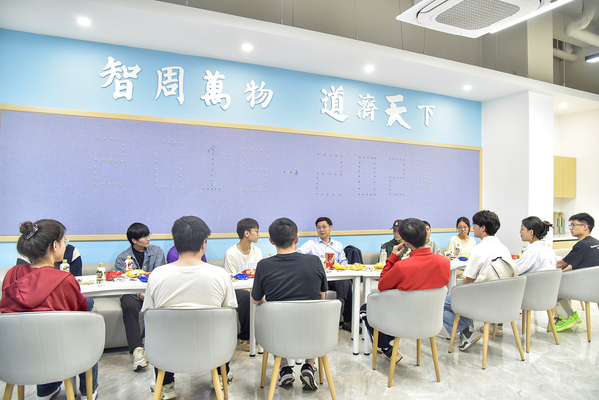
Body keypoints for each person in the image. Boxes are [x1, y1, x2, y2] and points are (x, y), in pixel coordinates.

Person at [0, 220, 98, 400]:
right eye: (64, 240)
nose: (65, 244)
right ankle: (87, 392)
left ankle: (46, 390)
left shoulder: (11, 274)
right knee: (86, 331)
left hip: (15, 357)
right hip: (57, 357)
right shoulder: (64, 279)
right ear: (55, 245)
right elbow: (79, 311)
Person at [141, 216, 237, 399]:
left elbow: (150, 315)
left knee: (162, 328)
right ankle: (220, 376)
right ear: (203, 243)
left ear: (175, 243)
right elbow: (228, 314)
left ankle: (166, 384)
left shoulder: (157, 275)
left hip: (167, 354)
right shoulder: (220, 275)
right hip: (213, 352)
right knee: (220, 326)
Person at [252, 217, 328, 391]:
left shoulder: (264, 265)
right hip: (311, 332)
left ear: (271, 241)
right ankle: (309, 365)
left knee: (274, 317)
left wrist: (269, 304)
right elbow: (321, 298)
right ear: (296, 239)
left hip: (279, 334)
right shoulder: (315, 261)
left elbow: (255, 300)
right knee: (313, 315)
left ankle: (285, 367)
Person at [360, 218, 450, 362]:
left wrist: (393, 258)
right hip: (430, 321)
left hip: (404, 322)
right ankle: (384, 345)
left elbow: (382, 285)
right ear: (426, 234)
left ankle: (384, 345)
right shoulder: (445, 262)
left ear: (406, 242)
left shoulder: (402, 267)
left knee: (366, 308)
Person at [442, 210, 511, 350]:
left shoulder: (479, 249)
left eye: (474, 225)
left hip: (482, 300)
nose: (472, 227)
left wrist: (454, 291)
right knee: (458, 298)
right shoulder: (504, 248)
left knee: (440, 303)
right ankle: (467, 331)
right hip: (503, 299)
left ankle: (467, 332)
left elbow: (467, 282)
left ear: (483, 228)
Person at [115, 222, 166, 371]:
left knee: (159, 305)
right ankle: (137, 350)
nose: (148, 239)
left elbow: (160, 275)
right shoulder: (122, 258)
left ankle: (151, 344)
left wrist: (148, 294)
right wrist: (139, 294)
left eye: (148, 235)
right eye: (144, 237)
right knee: (128, 305)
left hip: (152, 291)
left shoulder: (157, 251)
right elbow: (122, 282)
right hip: (132, 293)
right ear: (134, 240)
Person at [297, 217, 353, 330]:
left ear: (330, 228)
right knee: (346, 284)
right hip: (319, 279)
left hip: (335, 279)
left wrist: (340, 266)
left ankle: (342, 306)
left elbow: (344, 261)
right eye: (319, 227)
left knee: (345, 281)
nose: (321, 230)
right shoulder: (311, 244)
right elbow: (298, 254)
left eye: (324, 227)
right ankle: (340, 308)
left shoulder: (337, 245)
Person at [554, 212, 599, 332]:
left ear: (585, 227)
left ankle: (567, 318)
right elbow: (577, 266)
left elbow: (561, 264)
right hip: (594, 286)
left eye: (574, 225)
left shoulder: (582, 245)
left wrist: (546, 267)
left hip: (583, 287)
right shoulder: (595, 242)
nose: (570, 228)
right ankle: (571, 317)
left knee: (551, 288)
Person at [223, 218, 263, 351]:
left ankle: (264, 335)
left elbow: (260, 275)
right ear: (247, 233)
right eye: (256, 231)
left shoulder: (257, 251)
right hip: (237, 290)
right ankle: (246, 337)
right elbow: (231, 280)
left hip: (254, 288)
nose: (258, 234)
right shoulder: (231, 253)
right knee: (246, 298)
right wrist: (250, 291)